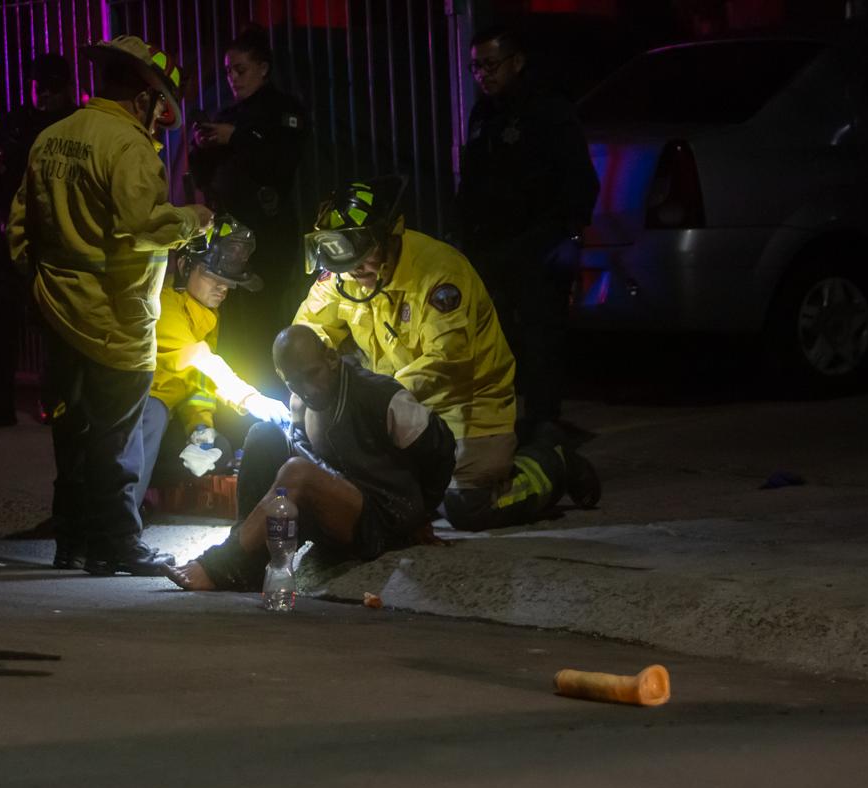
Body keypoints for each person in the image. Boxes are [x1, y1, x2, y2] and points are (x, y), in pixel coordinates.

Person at [9, 35, 213, 575]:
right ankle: (118, 543)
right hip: (116, 321)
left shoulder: (52, 137)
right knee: (117, 440)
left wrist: (40, 288)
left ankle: (71, 541)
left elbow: (18, 229)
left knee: (70, 433)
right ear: (145, 98)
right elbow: (142, 228)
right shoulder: (127, 148)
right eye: (158, 104)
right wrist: (193, 219)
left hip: (58, 312)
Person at [294, 176, 599, 532]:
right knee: (390, 495)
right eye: (342, 255)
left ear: (390, 236)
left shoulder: (439, 273)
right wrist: (304, 374)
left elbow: (446, 362)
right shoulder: (344, 272)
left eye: (364, 254)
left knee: (467, 507)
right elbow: (307, 330)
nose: (353, 268)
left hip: (465, 402)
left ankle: (552, 462)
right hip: (394, 401)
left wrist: (370, 398)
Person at [166, 325, 457, 591]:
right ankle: (251, 562)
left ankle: (225, 562)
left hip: (384, 517)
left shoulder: (379, 396)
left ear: (331, 359)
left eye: (312, 374)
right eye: (294, 382)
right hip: (335, 508)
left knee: (297, 473)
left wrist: (422, 515)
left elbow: (440, 449)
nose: (307, 389)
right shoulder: (299, 403)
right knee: (263, 435)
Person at [456, 25, 600, 429]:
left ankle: (544, 426)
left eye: (490, 64)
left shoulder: (548, 110)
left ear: (516, 62)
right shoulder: (484, 113)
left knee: (542, 340)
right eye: (475, 67)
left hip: (539, 244)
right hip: (493, 247)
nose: (483, 74)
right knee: (495, 340)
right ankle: (502, 422)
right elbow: (473, 182)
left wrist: (571, 234)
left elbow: (579, 177)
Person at [135, 217, 292, 511]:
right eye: (214, 279)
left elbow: (197, 383)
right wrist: (250, 397)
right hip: (136, 409)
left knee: (220, 450)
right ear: (184, 267)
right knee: (152, 416)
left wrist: (201, 427)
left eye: (229, 283)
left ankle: (145, 497)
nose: (224, 290)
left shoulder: (206, 313)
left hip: (166, 413)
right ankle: (118, 522)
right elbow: (198, 358)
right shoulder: (163, 304)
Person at [188, 24, 307, 389]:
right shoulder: (230, 114)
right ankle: (237, 406)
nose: (233, 78)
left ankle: (272, 399)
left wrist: (234, 137)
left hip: (268, 239)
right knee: (230, 326)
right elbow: (204, 175)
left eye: (240, 69)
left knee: (263, 323)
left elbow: (281, 161)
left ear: (263, 67)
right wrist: (201, 145)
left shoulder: (283, 110)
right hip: (228, 238)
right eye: (227, 71)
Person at [0, 53, 76, 428]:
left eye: (52, 87)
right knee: (3, 321)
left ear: (66, 87)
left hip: (60, 240)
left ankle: (56, 401)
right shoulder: (13, 123)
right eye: (39, 86)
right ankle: (1, 403)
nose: (44, 94)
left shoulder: (76, 125)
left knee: (57, 324)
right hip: (13, 237)